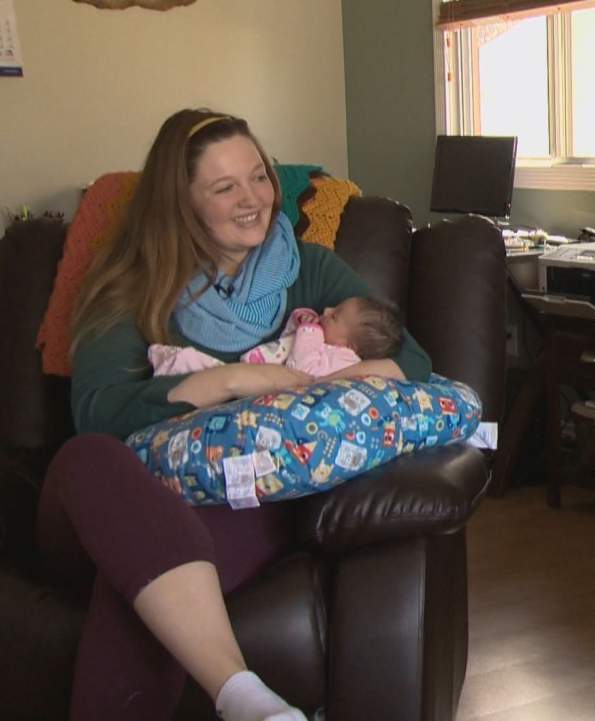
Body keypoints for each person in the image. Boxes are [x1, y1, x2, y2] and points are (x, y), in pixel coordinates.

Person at [36, 109, 432, 721]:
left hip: (230, 503)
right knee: (88, 459)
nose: (254, 201)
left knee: (151, 581)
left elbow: (410, 360)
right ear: (181, 204)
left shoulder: (310, 271)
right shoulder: (130, 287)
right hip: (102, 504)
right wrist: (236, 380)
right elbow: (101, 415)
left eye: (259, 177)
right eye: (225, 188)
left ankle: (247, 702)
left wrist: (304, 388)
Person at [149, 295, 405, 378]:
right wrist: (303, 321)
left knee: (201, 367)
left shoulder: (344, 361)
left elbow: (303, 368)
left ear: (348, 345)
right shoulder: (326, 344)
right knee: (204, 367)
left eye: (335, 315)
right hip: (254, 374)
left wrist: (310, 330)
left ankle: (170, 362)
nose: (326, 311)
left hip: (259, 386)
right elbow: (287, 344)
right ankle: (169, 361)